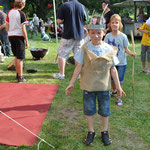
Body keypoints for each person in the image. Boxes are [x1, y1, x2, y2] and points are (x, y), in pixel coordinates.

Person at [65, 16, 126, 146]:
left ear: (104, 33)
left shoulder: (109, 49)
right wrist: (71, 83)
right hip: (89, 86)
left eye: (99, 33)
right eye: (92, 32)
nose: (96, 36)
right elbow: (78, 67)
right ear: (88, 33)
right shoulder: (85, 49)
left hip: (104, 87)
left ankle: (105, 131)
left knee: (105, 110)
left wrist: (119, 87)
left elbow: (113, 69)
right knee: (89, 110)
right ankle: (91, 131)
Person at [104, 14, 136, 106]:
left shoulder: (123, 36)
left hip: (121, 62)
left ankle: (119, 96)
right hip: (110, 62)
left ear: (120, 24)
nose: (114, 24)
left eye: (116, 23)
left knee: (120, 80)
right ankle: (114, 90)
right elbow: (104, 48)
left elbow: (126, 49)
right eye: (112, 22)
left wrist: (131, 54)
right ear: (110, 24)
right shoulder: (107, 36)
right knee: (112, 79)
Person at [53, 0, 88, 80]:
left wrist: (67, 20)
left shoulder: (64, 6)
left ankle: (61, 74)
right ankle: (79, 74)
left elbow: (59, 21)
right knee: (78, 56)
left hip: (67, 34)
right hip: (80, 35)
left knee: (62, 54)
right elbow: (86, 21)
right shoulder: (82, 6)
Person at [6, 0, 29, 82]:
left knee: (16, 56)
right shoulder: (22, 14)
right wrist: (26, 40)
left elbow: (7, 25)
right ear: (22, 5)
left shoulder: (9, 12)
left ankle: (18, 74)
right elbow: (23, 29)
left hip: (11, 36)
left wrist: (9, 33)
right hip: (19, 36)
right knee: (20, 57)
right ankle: (20, 77)